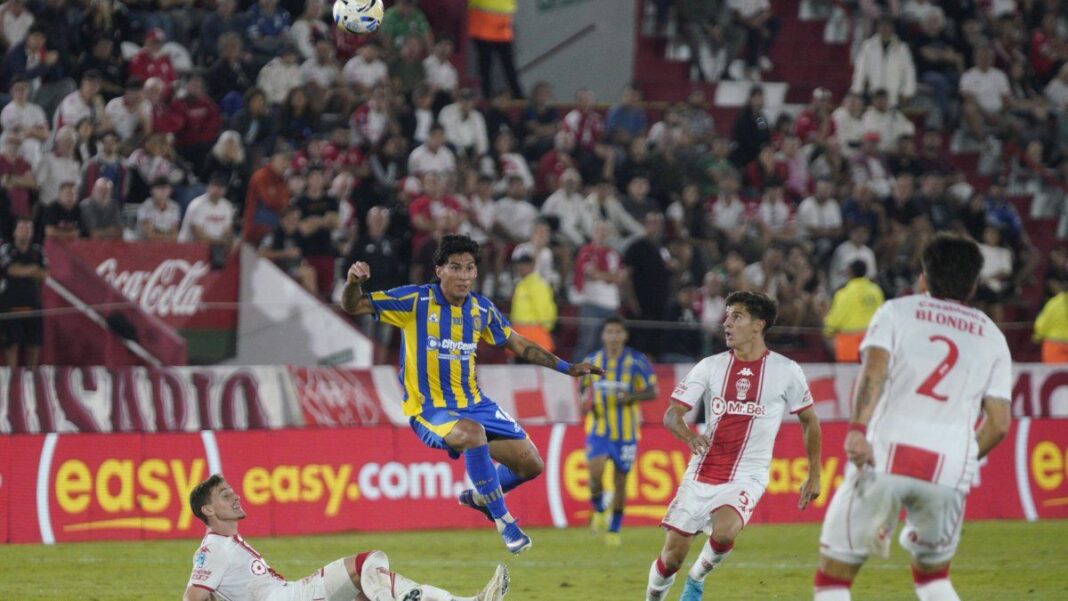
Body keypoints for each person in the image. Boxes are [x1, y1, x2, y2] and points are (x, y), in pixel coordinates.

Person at [339, 234, 603, 554]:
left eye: (469, 268)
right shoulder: (416, 301)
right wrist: (353, 282)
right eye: (455, 268)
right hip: (430, 408)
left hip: (476, 403)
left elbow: (517, 343)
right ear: (439, 270)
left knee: (531, 465)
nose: (463, 276)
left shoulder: (481, 309)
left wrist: (568, 367)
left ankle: (481, 496)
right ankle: (504, 520)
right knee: (472, 434)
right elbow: (353, 305)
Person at [813, 233, 1013, 601]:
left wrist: (857, 430)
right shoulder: (992, 335)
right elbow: (999, 423)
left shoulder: (896, 312)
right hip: (949, 471)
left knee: (834, 580)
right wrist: (965, 457)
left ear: (924, 276)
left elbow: (873, 370)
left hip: (886, 455)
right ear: (972, 285)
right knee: (933, 578)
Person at [646, 291, 822, 601]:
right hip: (702, 471)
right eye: (727, 316)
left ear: (758, 325)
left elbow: (810, 421)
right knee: (671, 558)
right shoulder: (710, 366)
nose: (726, 323)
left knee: (725, 531)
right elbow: (672, 414)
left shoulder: (786, 370)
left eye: (736, 317)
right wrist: (689, 437)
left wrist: (815, 474)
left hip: (747, 475)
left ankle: (696, 580)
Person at [182, 474, 510, 601]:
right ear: (208, 511)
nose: (236, 497)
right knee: (368, 563)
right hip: (292, 598)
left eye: (232, 491)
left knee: (367, 588)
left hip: (291, 594)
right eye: (225, 496)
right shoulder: (214, 549)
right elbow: (194, 598)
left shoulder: (225, 546)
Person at [581, 317, 658, 546]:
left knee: (621, 481)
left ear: (624, 335)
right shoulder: (592, 361)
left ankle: (614, 529)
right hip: (599, 429)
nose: (613, 337)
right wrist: (586, 403)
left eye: (617, 332)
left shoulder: (636, 361)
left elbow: (653, 391)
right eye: (609, 332)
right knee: (594, 474)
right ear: (603, 336)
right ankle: (598, 508)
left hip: (626, 433)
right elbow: (582, 391)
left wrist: (632, 396)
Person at [0, 218, 47, 369]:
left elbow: (45, 274)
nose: (25, 231)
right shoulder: (6, 248)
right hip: (10, 304)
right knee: (11, 346)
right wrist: (32, 269)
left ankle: (31, 383)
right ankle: (12, 385)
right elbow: (11, 270)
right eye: (21, 228)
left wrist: (24, 270)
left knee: (33, 345)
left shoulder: (38, 250)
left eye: (28, 228)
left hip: (33, 303)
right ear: (14, 232)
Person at [823, 260, 884, 363]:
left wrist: (826, 329)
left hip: (850, 343)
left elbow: (836, 319)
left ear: (850, 272)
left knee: (827, 333)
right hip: (873, 340)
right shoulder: (876, 290)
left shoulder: (844, 293)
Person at [1034, 288, 1068, 363]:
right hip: (1055, 344)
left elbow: (1040, 325)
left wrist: (1037, 337)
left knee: (1057, 373)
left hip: (1054, 344)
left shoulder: (1053, 303)